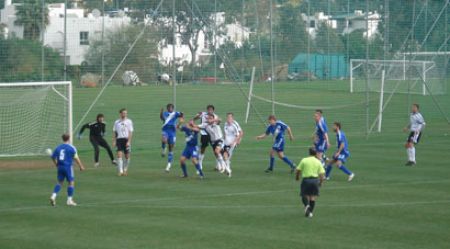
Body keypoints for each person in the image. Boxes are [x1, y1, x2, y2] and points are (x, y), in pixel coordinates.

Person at [49, 133, 85, 207]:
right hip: (68, 167)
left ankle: (53, 196)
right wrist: (81, 166)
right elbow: (76, 158)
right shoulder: (72, 148)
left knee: (60, 182)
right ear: (69, 139)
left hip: (60, 167)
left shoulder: (58, 147)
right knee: (71, 183)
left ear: (62, 139)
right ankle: (69, 200)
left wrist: (56, 164)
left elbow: (52, 157)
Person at [295, 147, 325, 218]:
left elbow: (298, 170)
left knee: (304, 195)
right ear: (315, 154)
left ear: (309, 153)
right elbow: (322, 174)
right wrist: (321, 182)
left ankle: (307, 206)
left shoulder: (304, 160)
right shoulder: (318, 162)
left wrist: (297, 177)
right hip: (315, 180)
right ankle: (310, 212)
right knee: (312, 197)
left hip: (306, 180)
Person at [192, 105, 220, 170]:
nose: (210, 111)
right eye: (209, 109)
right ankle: (200, 163)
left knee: (215, 150)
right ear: (207, 110)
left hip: (212, 135)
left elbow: (218, 123)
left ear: (213, 110)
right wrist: (196, 116)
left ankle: (218, 165)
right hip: (204, 134)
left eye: (211, 110)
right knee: (203, 148)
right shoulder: (203, 114)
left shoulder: (215, 116)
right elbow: (195, 118)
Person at [160, 103, 184, 172]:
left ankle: (168, 165)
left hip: (172, 132)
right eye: (168, 108)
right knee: (164, 139)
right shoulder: (165, 113)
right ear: (167, 108)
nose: (170, 109)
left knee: (171, 148)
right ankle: (164, 149)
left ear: (173, 108)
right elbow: (162, 118)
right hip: (165, 130)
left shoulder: (175, 113)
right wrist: (161, 112)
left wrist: (181, 119)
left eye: (171, 108)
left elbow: (182, 114)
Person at [113, 108, 134, 176]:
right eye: (123, 113)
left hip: (126, 140)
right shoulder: (116, 122)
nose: (125, 114)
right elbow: (115, 132)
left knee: (127, 156)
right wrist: (114, 141)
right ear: (120, 114)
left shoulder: (129, 121)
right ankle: (120, 171)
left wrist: (129, 141)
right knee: (119, 155)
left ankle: (125, 170)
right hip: (119, 140)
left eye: (126, 113)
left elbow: (130, 132)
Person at [222, 113, 244, 177]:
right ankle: (228, 169)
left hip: (233, 142)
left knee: (227, 155)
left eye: (230, 117)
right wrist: (223, 140)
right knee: (226, 155)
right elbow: (225, 133)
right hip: (227, 142)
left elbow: (240, 133)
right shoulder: (225, 124)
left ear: (232, 118)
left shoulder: (235, 124)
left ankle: (228, 169)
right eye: (228, 117)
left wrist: (237, 141)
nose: (229, 118)